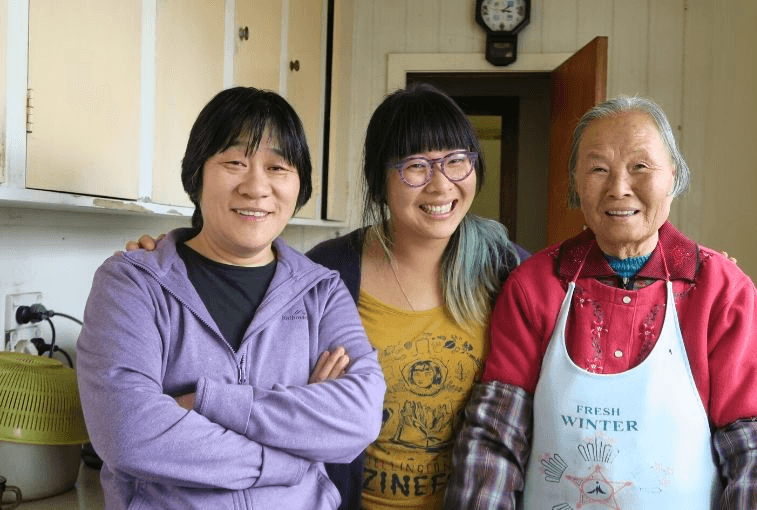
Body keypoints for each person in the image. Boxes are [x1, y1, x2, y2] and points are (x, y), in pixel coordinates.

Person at [127, 83, 529, 509]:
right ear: (379, 181)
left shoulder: (508, 270)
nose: (440, 185)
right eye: (415, 166)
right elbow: (268, 390)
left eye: (456, 161)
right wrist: (170, 253)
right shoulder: (328, 273)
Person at [444, 96, 757, 509]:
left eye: (640, 167)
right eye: (598, 169)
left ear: (673, 176)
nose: (618, 188)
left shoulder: (722, 290)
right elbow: (493, 441)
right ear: (576, 182)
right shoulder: (534, 286)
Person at [77, 86, 386, 510]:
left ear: (300, 184)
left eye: (277, 167)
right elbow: (129, 434)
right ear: (197, 175)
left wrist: (205, 402)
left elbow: (359, 416)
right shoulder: (133, 283)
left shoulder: (321, 290)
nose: (257, 187)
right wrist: (293, 454)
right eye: (235, 162)